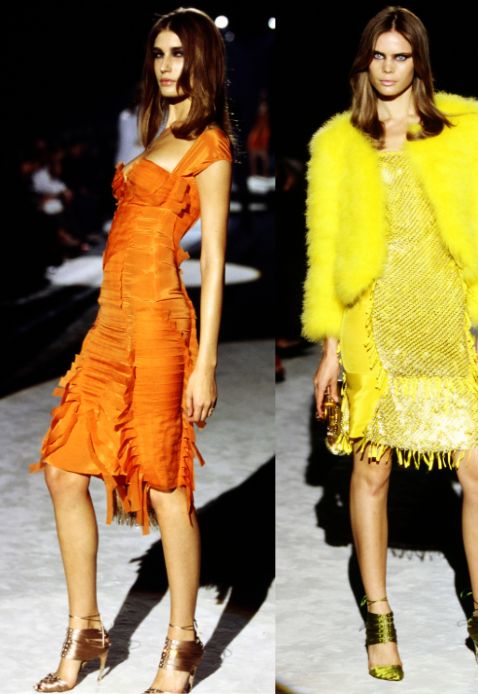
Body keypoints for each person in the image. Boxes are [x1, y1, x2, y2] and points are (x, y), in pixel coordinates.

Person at [302, 6, 478, 684]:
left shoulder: (465, 128)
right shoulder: (339, 143)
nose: (389, 68)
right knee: (371, 471)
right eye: (379, 55)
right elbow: (327, 251)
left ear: (419, 62)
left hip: (443, 318)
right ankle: (379, 620)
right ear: (364, 62)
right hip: (371, 321)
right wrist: (330, 350)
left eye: (401, 56)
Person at [30, 8, 232, 693]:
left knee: (166, 486)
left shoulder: (210, 146)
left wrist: (205, 363)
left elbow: (212, 263)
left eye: (179, 54)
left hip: (159, 328)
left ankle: (182, 643)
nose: (167, 65)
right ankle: (86, 630)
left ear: (204, 61)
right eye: (160, 53)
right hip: (110, 325)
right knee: (63, 470)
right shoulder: (157, 131)